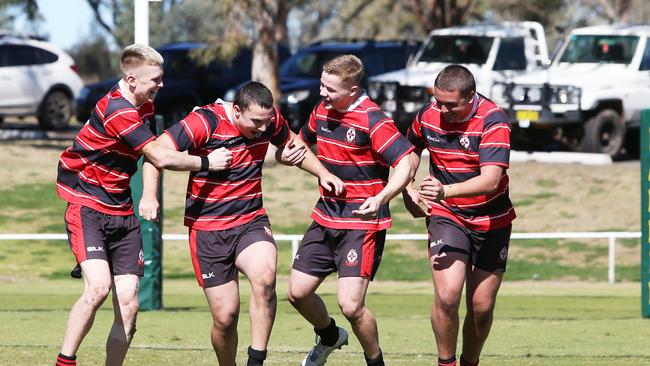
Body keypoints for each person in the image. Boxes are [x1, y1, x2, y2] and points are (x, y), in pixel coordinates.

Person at [142, 81, 343, 366]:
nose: (263, 129)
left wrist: (322, 173)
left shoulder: (268, 120)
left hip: (251, 220)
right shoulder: (205, 121)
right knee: (225, 319)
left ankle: (255, 361)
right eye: (256, 123)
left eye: (267, 122)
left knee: (264, 278)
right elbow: (155, 154)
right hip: (208, 229)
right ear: (236, 111)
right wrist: (155, 192)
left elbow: (294, 145)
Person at [54, 44, 231, 366]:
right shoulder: (118, 110)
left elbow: (151, 157)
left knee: (130, 303)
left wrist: (149, 196)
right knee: (98, 288)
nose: (161, 85)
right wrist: (207, 162)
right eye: (156, 79)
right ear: (131, 80)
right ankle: (65, 361)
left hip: (121, 210)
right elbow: (161, 155)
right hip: (87, 206)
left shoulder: (145, 105)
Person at [285, 54, 417, 366]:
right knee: (297, 293)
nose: (321, 93)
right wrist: (293, 157)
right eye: (321, 84)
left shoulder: (374, 120)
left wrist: (383, 197)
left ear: (353, 90)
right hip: (325, 217)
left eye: (330, 89)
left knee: (351, 306)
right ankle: (330, 336)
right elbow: (299, 146)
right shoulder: (321, 110)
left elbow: (407, 163)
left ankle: (376, 362)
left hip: (361, 223)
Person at [401, 64, 516, 366]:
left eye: (448, 104)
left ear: (470, 97)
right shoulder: (428, 115)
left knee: (481, 307)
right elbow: (409, 150)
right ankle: (446, 363)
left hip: (491, 220)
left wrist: (446, 191)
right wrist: (407, 187)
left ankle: (470, 362)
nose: (440, 108)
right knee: (448, 295)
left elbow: (490, 180)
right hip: (447, 216)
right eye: (437, 100)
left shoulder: (493, 121)